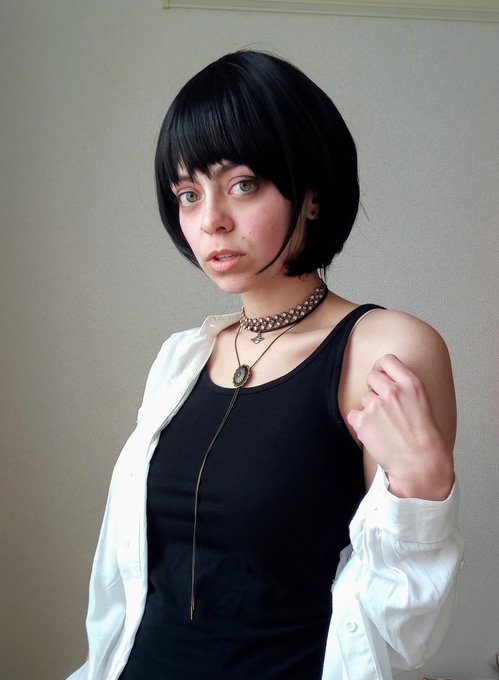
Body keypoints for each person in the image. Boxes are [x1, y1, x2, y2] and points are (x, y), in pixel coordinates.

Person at [67, 51, 464, 680]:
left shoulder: (383, 350)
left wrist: (425, 495)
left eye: (242, 184)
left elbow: (401, 635)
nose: (210, 222)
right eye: (188, 194)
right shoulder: (181, 358)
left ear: (311, 194)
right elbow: (133, 585)